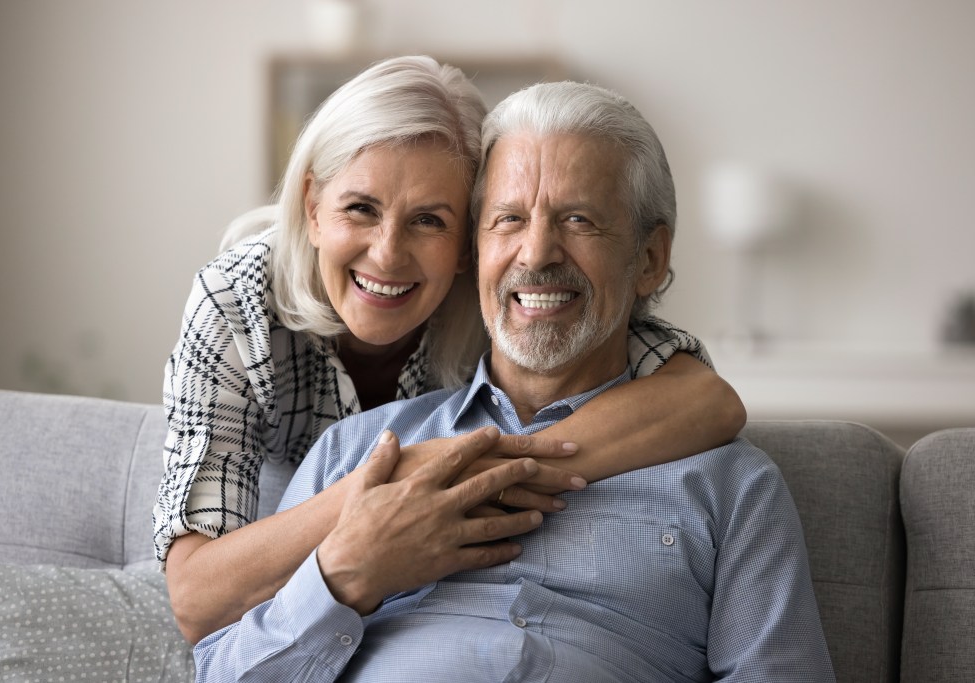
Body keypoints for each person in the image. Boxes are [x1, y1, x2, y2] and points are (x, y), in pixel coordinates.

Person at [192, 80, 835, 682]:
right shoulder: (354, 452)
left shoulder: (729, 484)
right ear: (476, 250)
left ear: (649, 258)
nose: (537, 253)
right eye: (508, 219)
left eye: (579, 220)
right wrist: (341, 579)